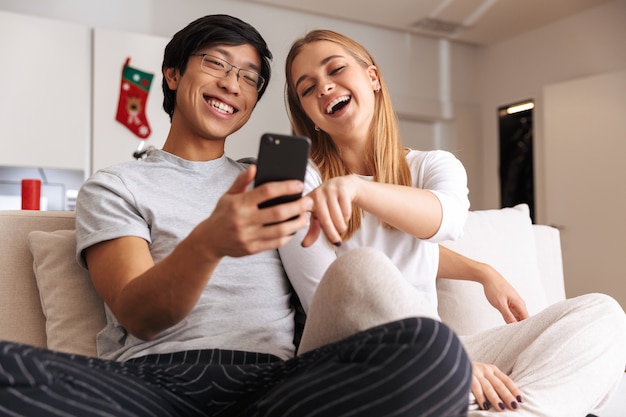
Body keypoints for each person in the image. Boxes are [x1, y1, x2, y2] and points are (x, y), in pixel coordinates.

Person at [0, 15, 473, 417]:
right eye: (216, 64)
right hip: (156, 386)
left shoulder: (278, 179)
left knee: (437, 354)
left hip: (276, 386)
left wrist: (479, 270)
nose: (232, 84)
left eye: (249, 77)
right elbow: (138, 313)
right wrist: (209, 243)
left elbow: (361, 250)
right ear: (172, 75)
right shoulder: (115, 185)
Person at [279, 29, 626, 416]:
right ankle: (458, 379)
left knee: (603, 312)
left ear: (373, 78)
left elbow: (445, 220)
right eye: (307, 89)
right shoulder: (299, 179)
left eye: (336, 70)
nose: (324, 88)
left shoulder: (432, 165)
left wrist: (482, 273)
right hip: (346, 356)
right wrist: (449, 358)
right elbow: (326, 293)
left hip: (439, 347)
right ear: (307, 112)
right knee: (362, 267)